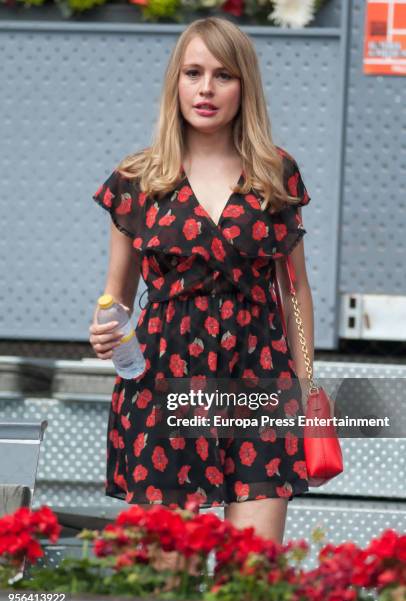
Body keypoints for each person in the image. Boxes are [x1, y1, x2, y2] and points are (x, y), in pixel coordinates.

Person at [89, 16, 314, 546]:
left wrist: (306, 384)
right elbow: (115, 296)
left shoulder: (275, 173)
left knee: (254, 572)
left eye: (223, 75)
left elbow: (295, 291)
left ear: (244, 87)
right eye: (193, 72)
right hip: (163, 380)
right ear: (176, 83)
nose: (206, 89)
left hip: (259, 379)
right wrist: (104, 328)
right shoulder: (137, 178)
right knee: (166, 575)